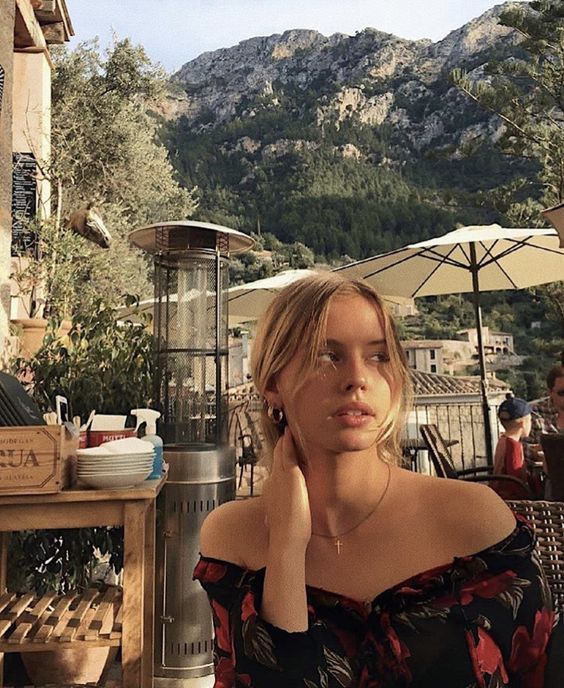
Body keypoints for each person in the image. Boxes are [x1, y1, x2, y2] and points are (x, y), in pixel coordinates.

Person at [194, 273, 553, 687]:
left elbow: (537, 670)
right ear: (272, 385)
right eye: (327, 355)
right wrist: (287, 547)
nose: (357, 378)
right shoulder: (233, 539)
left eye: (379, 357)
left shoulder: (476, 520)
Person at [491, 394, 536, 500]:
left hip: (497, 491)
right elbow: (515, 479)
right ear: (522, 424)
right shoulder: (513, 446)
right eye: (530, 420)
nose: (531, 423)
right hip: (510, 499)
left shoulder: (503, 440)